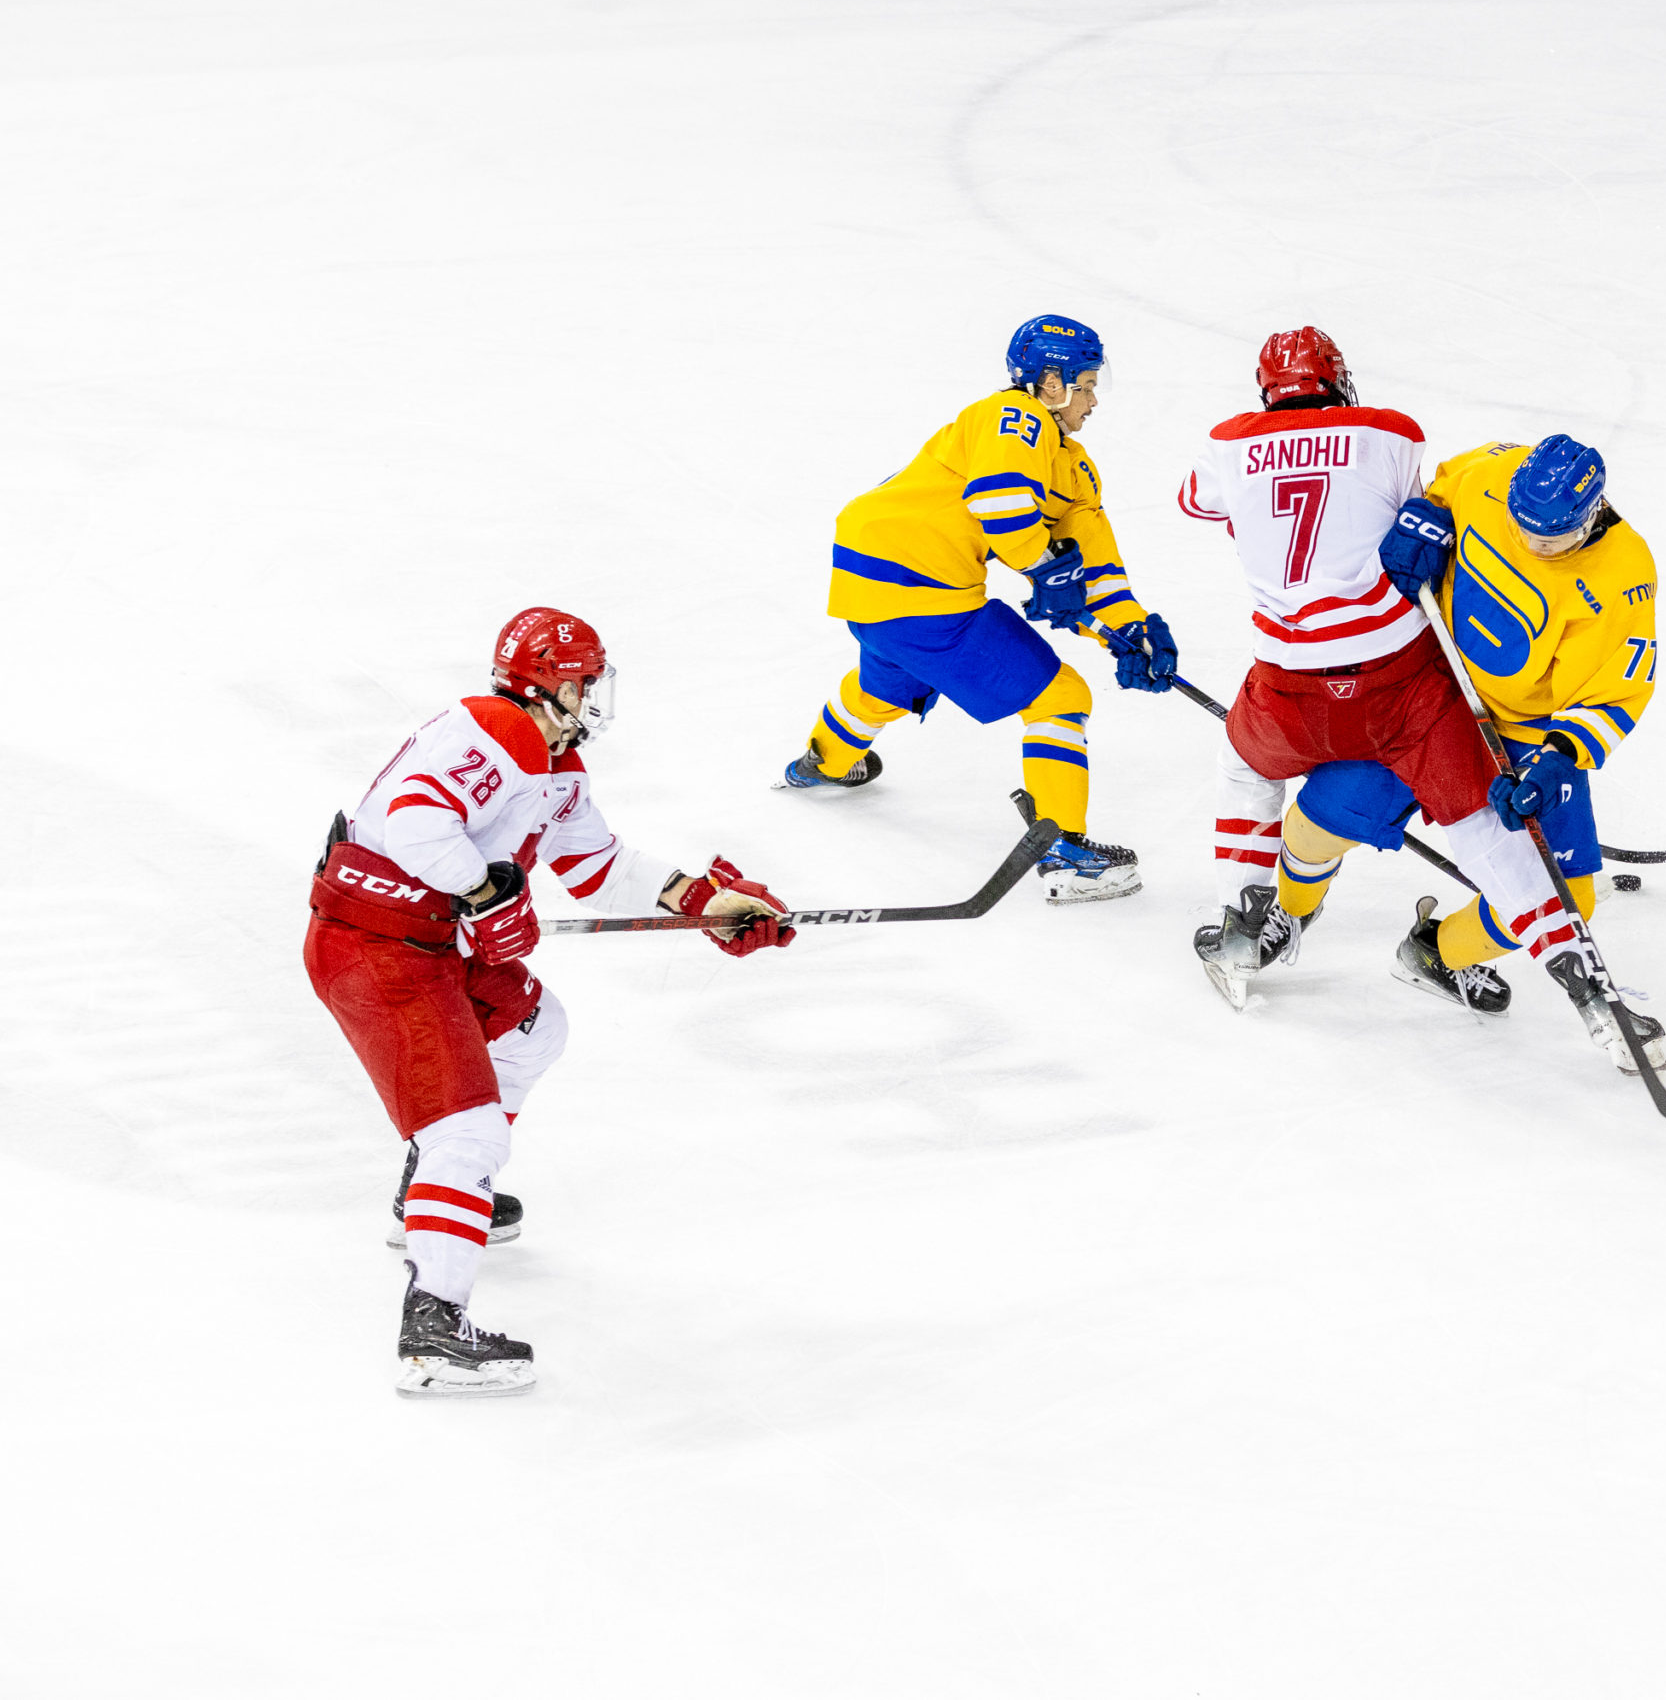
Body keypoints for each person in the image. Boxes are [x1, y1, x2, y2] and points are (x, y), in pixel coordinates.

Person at [306, 608, 795, 1397]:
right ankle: (432, 1328)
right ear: (545, 682)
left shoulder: (557, 764)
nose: (593, 691)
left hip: (431, 944)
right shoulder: (500, 728)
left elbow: (598, 863)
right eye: (582, 678)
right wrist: (484, 888)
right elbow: (417, 821)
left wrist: (704, 899)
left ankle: (424, 1193)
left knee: (534, 1028)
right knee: (464, 1128)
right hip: (378, 946)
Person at [1176, 327, 1558, 1019]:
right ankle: (1573, 963)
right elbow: (1415, 514)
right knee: (1474, 804)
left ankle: (1243, 919)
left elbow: (1195, 502)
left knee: (1245, 763)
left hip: (1291, 692)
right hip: (1399, 683)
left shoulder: (1229, 442)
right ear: (1336, 380)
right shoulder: (1388, 431)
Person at [779, 314, 1180, 901]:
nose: (1094, 400)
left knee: (887, 686)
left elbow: (1096, 571)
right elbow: (1002, 505)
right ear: (1050, 382)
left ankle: (825, 759)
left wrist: (1130, 632)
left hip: (872, 584)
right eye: (1086, 384)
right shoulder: (1013, 417)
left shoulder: (1070, 467)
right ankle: (1066, 852)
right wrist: (1047, 568)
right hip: (923, 583)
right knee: (1061, 697)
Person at [1379, 433, 1666, 1071]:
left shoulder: (1624, 574)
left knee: (1572, 898)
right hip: (1425, 684)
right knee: (1345, 802)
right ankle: (1264, 906)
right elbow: (1444, 488)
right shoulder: (1496, 469)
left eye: (1551, 539)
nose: (1532, 544)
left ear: (1592, 515)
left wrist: (1559, 756)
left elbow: (1617, 688)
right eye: (1521, 524)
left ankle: (1436, 951)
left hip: (1526, 726)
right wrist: (1426, 517)